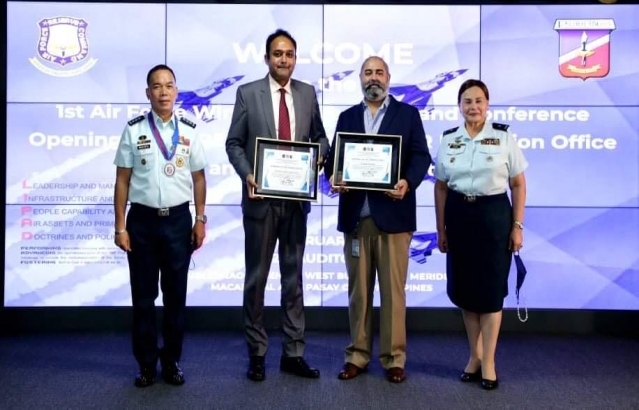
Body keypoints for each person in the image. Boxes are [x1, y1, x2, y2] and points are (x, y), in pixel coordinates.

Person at [225, 28, 329, 382]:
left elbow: (321, 138)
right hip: (261, 202)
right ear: (267, 58)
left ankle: (293, 353)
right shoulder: (247, 93)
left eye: (289, 54)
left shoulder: (307, 93)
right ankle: (256, 353)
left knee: (293, 280)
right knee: (256, 280)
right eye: (278, 54)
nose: (284, 59)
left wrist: (318, 158)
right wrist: (248, 174)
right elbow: (234, 143)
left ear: (295, 58)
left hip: (295, 204)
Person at [324, 56, 431, 384]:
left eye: (379, 72)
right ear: (360, 78)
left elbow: (421, 156)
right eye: (368, 72)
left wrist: (407, 182)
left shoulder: (407, 114)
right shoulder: (347, 116)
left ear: (388, 78)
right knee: (359, 293)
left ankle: (394, 358)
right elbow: (333, 161)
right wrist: (334, 176)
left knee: (393, 294)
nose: (374, 78)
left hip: (394, 217)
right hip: (357, 218)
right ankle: (357, 355)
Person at [113, 64, 208, 387]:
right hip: (141, 222)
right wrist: (120, 226)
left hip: (178, 222)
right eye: (157, 86)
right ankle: (146, 364)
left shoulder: (190, 130)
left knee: (175, 297)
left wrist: (200, 219)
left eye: (169, 86)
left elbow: (199, 178)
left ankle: (171, 361)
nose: (163, 92)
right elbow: (122, 180)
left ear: (176, 91)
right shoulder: (134, 130)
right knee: (143, 298)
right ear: (148, 93)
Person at [433, 79, 528, 390]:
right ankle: (474, 356)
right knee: (466, 292)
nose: (473, 106)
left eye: (478, 101)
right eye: (467, 101)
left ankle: (489, 361)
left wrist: (517, 226)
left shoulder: (503, 137)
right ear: (459, 106)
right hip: (460, 216)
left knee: (489, 293)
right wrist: (441, 228)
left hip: (494, 218)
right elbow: (441, 187)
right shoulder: (449, 139)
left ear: (487, 105)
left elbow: (518, 185)